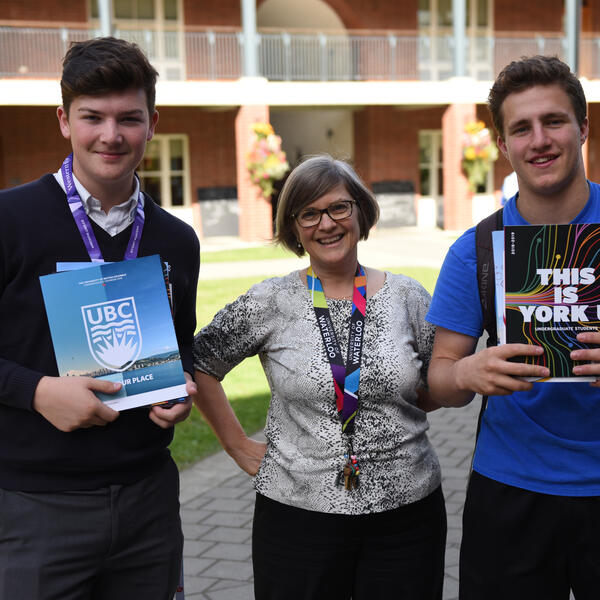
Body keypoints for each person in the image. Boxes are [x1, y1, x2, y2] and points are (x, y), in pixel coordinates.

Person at [193, 155, 446, 600]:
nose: (326, 224)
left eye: (339, 208)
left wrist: (391, 396)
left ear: (361, 211)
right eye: (309, 213)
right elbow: (200, 362)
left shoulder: (409, 296)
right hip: (297, 514)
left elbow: (440, 378)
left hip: (406, 514)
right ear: (293, 227)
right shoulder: (271, 300)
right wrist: (234, 443)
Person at [0, 37, 199, 599]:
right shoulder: (8, 220)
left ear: (152, 123)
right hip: (36, 507)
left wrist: (177, 392)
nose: (111, 136)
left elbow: (177, 348)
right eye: (93, 117)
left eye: (129, 119)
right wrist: (38, 391)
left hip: (148, 502)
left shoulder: (176, 240)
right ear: (64, 120)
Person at [426, 55, 600, 599]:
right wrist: (469, 372)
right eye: (521, 128)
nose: (539, 140)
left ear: (583, 127)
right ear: (503, 145)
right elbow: (437, 382)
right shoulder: (476, 250)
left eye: (554, 121)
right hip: (511, 490)